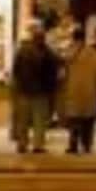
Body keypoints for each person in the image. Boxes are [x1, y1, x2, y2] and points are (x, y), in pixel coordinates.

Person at [12, 21, 58, 154]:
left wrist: (19, 83)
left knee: (23, 120)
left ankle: (22, 144)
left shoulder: (23, 50)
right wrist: (51, 88)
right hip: (41, 91)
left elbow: (16, 69)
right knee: (39, 120)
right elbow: (53, 70)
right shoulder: (48, 52)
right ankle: (38, 145)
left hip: (24, 90)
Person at [62, 27, 96, 155]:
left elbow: (64, 68)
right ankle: (87, 145)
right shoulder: (93, 53)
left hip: (73, 90)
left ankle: (73, 144)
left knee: (74, 119)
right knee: (88, 120)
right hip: (89, 90)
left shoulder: (69, 51)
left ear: (73, 38)